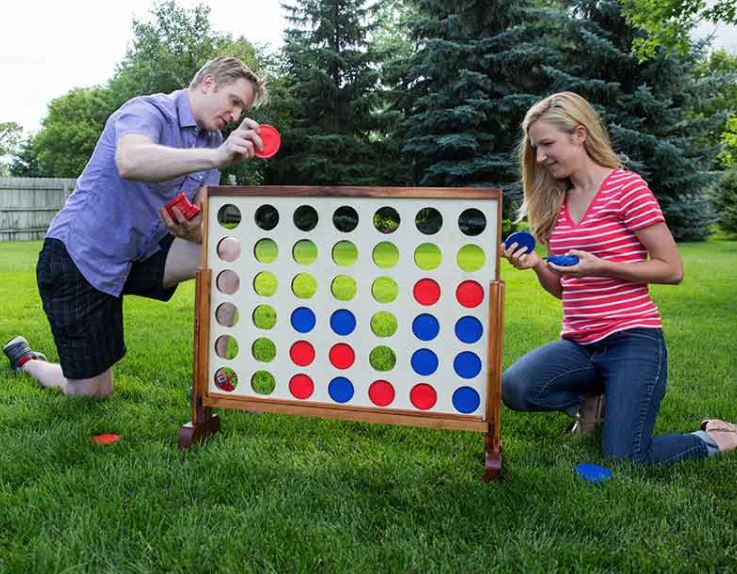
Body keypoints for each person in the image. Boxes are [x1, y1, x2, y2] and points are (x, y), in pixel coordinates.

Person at [3, 57, 267, 397]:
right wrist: (218, 157)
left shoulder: (212, 143)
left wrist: (193, 232)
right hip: (81, 260)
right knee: (90, 392)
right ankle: (27, 360)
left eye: (241, 110)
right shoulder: (147, 111)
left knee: (227, 248)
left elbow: (202, 224)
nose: (235, 116)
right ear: (208, 82)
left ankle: (211, 377)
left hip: (139, 255)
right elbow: (131, 161)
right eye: (234, 102)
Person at [500, 91, 737, 463]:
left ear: (579, 134)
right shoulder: (554, 203)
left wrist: (602, 265)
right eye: (536, 148)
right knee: (516, 388)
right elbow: (564, 290)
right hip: (580, 343)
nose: (541, 157)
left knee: (626, 455)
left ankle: (718, 437)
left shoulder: (626, 188)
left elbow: (671, 269)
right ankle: (592, 398)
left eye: (547, 144)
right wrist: (538, 266)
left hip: (633, 340)